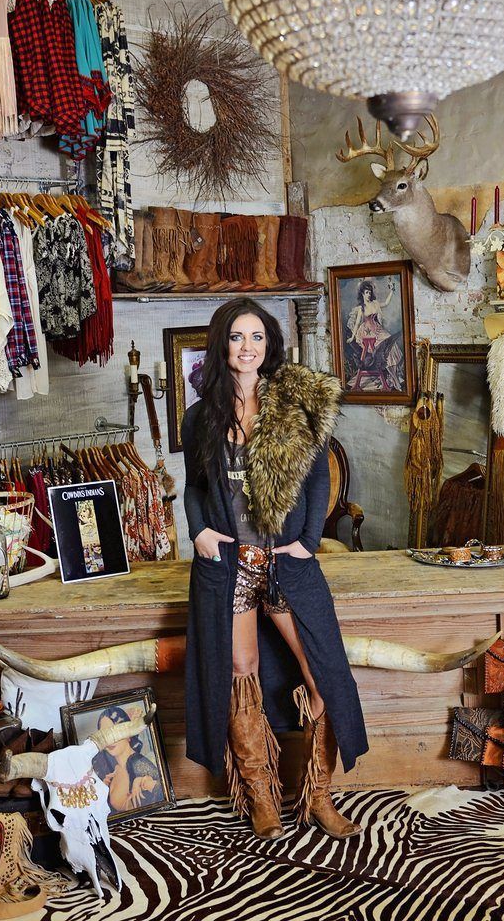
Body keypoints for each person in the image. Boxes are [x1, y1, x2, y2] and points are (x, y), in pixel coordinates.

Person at [182, 298, 368, 842]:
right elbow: (194, 485)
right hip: (229, 565)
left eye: (257, 337)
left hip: (286, 562)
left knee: (323, 673)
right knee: (241, 675)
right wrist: (199, 533)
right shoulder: (203, 415)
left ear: (270, 345)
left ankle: (319, 796)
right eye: (238, 338)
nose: (248, 348)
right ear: (223, 345)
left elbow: (316, 481)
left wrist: (310, 541)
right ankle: (262, 798)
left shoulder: (293, 405)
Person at [93, 706, 163, 813]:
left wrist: (142, 782)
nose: (110, 740)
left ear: (128, 734)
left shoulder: (137, 762)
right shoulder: (113, 769)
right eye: (105, 735)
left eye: (115, 733)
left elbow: (163, 793)